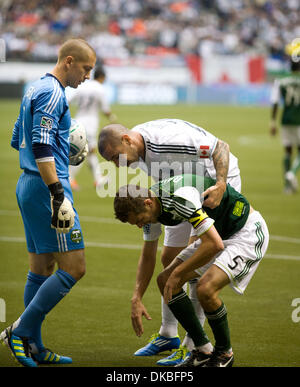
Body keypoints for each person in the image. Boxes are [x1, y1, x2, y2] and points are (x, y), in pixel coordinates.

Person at [98, 118, 241, 365]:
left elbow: (221, 147)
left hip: (211, 187)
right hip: (180, 191)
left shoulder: (168, 142)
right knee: (169, 259)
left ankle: (195, 344)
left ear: (126, 140)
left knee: (194, 262)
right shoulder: (137, 152)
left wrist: (220, 184)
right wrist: (136, 296)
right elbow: (148, 251)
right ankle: (168, 333)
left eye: (115, 157)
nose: (117, 165)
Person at [0, 39, 96, 367]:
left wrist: (60, 143)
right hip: (46, 189)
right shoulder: (54, 92)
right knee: (75, 267)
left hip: (28, 183)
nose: (87, 76)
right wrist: (57, 193)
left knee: (41, 269)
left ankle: (35, 346)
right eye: (85, 69)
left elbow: (18, 139)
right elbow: (40, 145)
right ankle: (20, 331)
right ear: (69, 61)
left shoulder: (33, 87)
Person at [113, 174, 269, 367]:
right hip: (217, 234)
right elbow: (147, 255)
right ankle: (202, 350)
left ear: (148, 203)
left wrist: (178, 273)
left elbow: (214, 245)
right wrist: (137, 297)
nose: (139, 225)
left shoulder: (181, 198)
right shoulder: (149, 209)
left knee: (205, 289)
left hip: (245, 233)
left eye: (139, 220)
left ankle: (224, 354)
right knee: (165, 280)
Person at [68, 65, 117, 192]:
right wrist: (111, 117)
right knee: (85, 152)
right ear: (102, 77)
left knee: (89, 152)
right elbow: (105, 109)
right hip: (90, 124)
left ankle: (98, 178)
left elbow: (68, 101)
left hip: (77, 122)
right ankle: (69, 178)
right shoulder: (100, 89)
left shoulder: (83, 86)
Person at [270, 59, 300, 194]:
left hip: (285, 119)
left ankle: (288, 186)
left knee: (288, 151)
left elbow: (275, 101)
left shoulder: (281, 81)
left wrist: (272, 121)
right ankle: (292, 173)